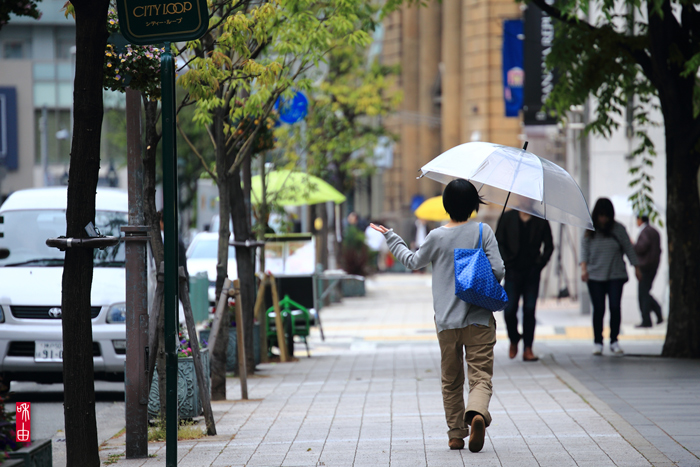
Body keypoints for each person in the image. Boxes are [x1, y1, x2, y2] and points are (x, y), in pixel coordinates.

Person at [370, 179, 504, 453]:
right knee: (480, 376)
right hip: (479, 318)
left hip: (447, 322)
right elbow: (499, 270)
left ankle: (456, 434)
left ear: (446, 205)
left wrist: (391, 237)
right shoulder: (483, 231)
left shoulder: (436, 236)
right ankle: (477, 413)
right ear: (473, 206)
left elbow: (411, 261)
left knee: (451, 379)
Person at [580, 198, 640, 356]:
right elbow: (584, 250)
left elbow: (629, 248)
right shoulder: (590, 230)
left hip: (615, 274)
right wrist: (584, 269)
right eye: (600, 215)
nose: (603, 219)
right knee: (598, 309)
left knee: (614, 307)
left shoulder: (618, 229)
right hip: (595, 276)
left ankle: (614, 340)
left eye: (606, 215)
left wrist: (636, 268)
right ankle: (598, 342)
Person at [495, 208, 553, 362]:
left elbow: (549, 245)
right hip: (513, 272)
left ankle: (528, 348)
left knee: (529, 309)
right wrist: (506, 262)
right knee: (509, 310)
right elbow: (498, 242)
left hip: (532, 272)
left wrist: (540, 264)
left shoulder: (540, 219)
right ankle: (514, 338)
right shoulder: (507, 217)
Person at [633, 214, 663, 328]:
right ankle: (657, 313)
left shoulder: (645, 232)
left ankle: (647, 319)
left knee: (643, 295)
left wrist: (633, 245)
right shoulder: (655, 231)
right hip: (653, 266)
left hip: (645, 267)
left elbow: (641, 247)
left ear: (640, 220)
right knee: (645, 293)